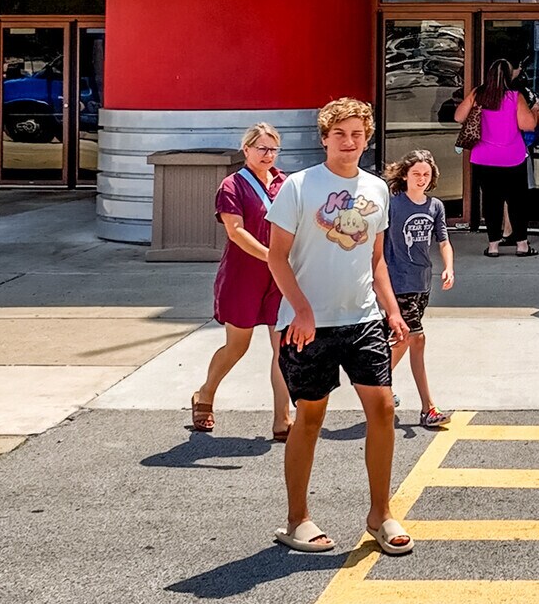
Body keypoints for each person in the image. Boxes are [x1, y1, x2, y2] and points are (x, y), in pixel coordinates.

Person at [265, 97, 415, 557]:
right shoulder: (298, 186)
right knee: (309, 417)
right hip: (307, 325)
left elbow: (375, 259)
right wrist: (303, 310)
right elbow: (276, 256)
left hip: (363, 317)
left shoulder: (378, 189)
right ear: (324, 137)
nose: (349, 142)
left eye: (357, 134)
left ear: (367, 138)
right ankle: (297, 519)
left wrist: (391, 309)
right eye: (340, 134)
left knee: (383, 409)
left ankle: (380, 514)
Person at [190, 123, 294, 441]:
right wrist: (270, 256)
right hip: (243, 275)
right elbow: (236, 232)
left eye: (273, 149)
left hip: (280, 278)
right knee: (238, 346)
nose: (267, 155)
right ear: (246, 149)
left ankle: (282, 419)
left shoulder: (286, 183)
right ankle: (204, 395)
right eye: (261, 148)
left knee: (283, 349)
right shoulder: (232, 185)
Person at [381, 149, 455, 429]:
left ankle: (377, 381)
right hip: (397, 282)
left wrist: (449, 267)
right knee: (416, 339)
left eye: (426, 174)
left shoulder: (435, 206)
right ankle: (428, 408)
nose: (421, 179)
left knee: (401, 339)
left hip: (423, 281)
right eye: (416, 174)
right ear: (404, 174)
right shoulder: (393, 204)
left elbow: (444, 241)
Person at [455, 59, 539, 257]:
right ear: (509, 76)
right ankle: (522, 245)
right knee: (516, 202)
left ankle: (493, 245)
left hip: (483, 157)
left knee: (491, 203)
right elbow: (528, 125)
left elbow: (459, 117)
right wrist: (535, 112)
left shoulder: (478, 94)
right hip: (513, 157)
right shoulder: (514, 97)